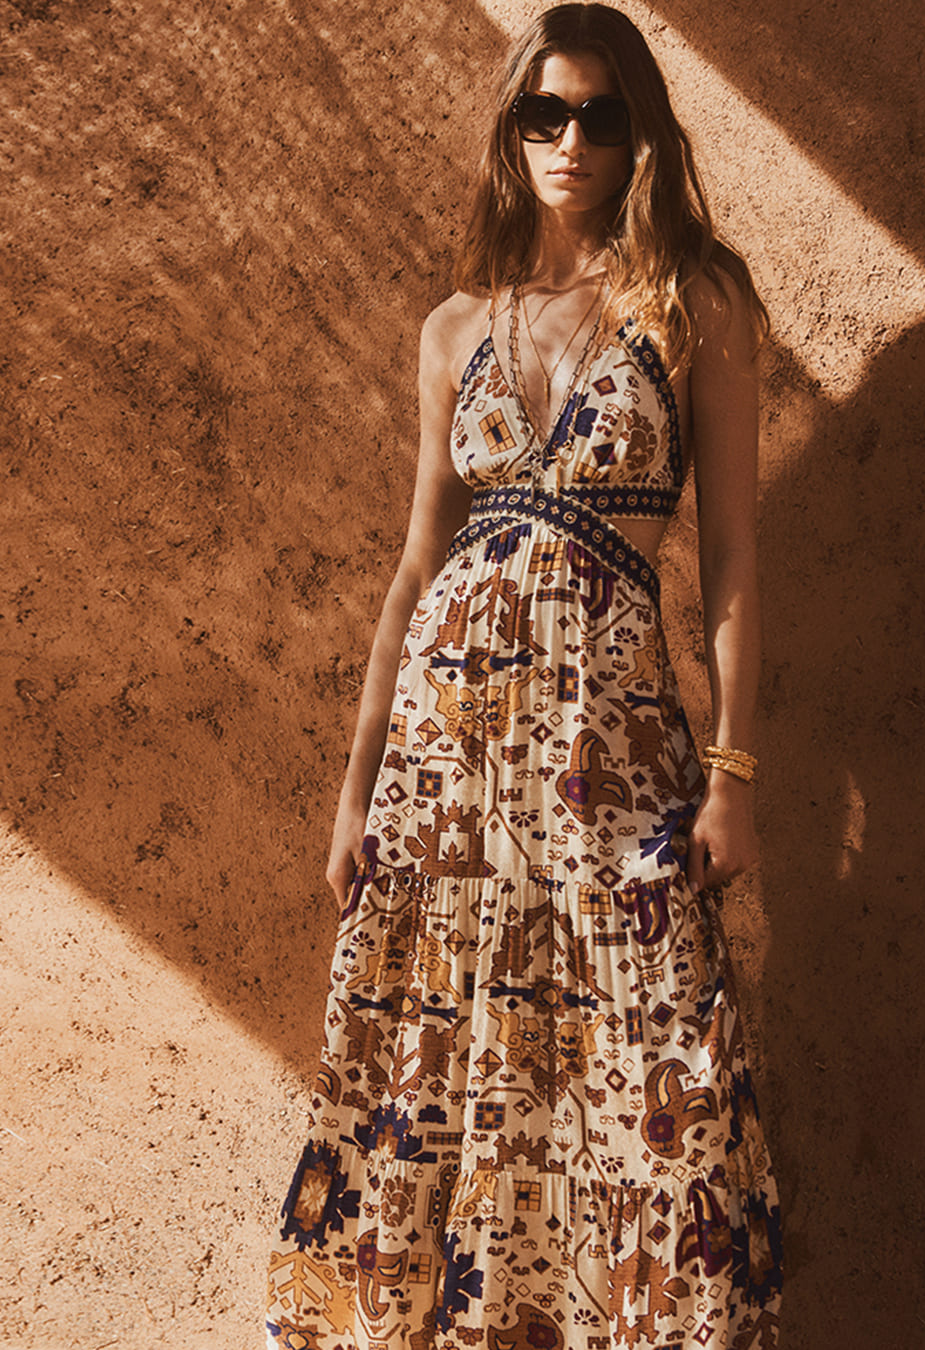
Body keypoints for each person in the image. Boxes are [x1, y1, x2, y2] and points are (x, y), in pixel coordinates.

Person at [266, 5, 783, 1347]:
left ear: (640, 134)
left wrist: (733, 771)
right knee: (435, 1074)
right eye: (543, 113)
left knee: (656, 1074)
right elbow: (414, 568)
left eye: (600, 115)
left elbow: (733, 557)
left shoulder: (698, 301)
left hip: (616, 761)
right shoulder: (455, 329)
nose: (570, 140)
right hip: (444, 774)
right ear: (512, 130)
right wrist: (357, 788)